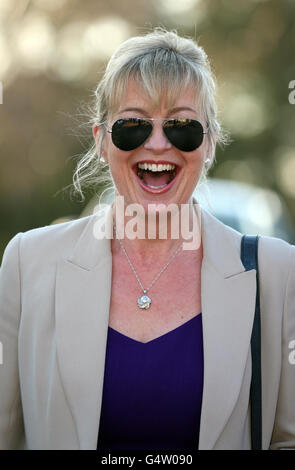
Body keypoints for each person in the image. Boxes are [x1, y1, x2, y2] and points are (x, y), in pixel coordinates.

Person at [0, 28, 295, 451]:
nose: (158, 144)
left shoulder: (276, 273)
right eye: (133, 125)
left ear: (209, 143)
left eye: (182, 127)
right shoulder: (29, 265)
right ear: (102, 141)